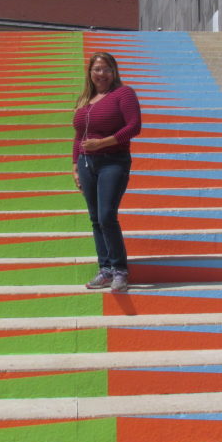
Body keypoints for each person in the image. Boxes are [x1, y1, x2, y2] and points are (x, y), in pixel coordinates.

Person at [72, 51, 142, 293]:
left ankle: (120, 270)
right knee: (95, 218)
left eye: (106, 69)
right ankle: (105, 269)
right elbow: (79, 136)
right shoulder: (84, 99)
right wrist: (74, 166)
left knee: (106, 215)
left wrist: (102, 143)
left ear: (114, 71)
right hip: (86, 163)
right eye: (97, 69)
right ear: (90, 72)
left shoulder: (123, 94)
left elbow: (134, 126)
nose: (101, 74)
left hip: (113, 161)